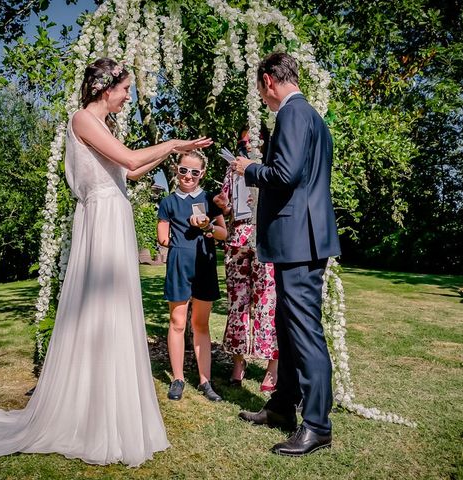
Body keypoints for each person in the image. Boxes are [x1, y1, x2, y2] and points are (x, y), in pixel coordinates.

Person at [0, 57, 212, 467]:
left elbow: (129, 174)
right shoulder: (82, 119)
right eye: (126, 88)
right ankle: (88, 410)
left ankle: (107, 403)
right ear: (105, 87)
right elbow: (130, 161)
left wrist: (170, 155)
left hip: (114, 213)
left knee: (114, 308)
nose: (129, 95)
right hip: (101, 218)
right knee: (98, 308)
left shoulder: (102, 127)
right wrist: (173, 145)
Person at [232, 52, 341, 457]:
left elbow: (286, 174)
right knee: (288, 325)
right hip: (300, 239)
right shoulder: (313, 117)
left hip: (300, 241)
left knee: (305, 331)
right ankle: (282, 406)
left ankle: (317, 425)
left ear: (268, 81)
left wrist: (249, 168)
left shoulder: (294, 114)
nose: (262, 98)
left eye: (261, 90)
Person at [157, 151, 227, 402]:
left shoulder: (210, 199)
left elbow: (223, 234)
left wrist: (207, 226)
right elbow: (162, 237)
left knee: (200, 324)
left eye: (194, 172)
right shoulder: (167, 202)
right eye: (184, 170)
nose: (188, 176)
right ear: (176, 170)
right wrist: (176, 239)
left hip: (205, 265)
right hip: (178, 265)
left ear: (202, 174)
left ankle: (205, 381)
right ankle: (178, 378)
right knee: (177, 323)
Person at [214, 128, 278, 392]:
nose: (246, 146)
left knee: (267, 303)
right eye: (242, 142)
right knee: (238, 303)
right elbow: (228, 208)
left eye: (252, 141)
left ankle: (273, 370)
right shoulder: (231, 170)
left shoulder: (273, 165)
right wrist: (223, 205)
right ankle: (238, 364)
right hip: (238, 240)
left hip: (266, 238)